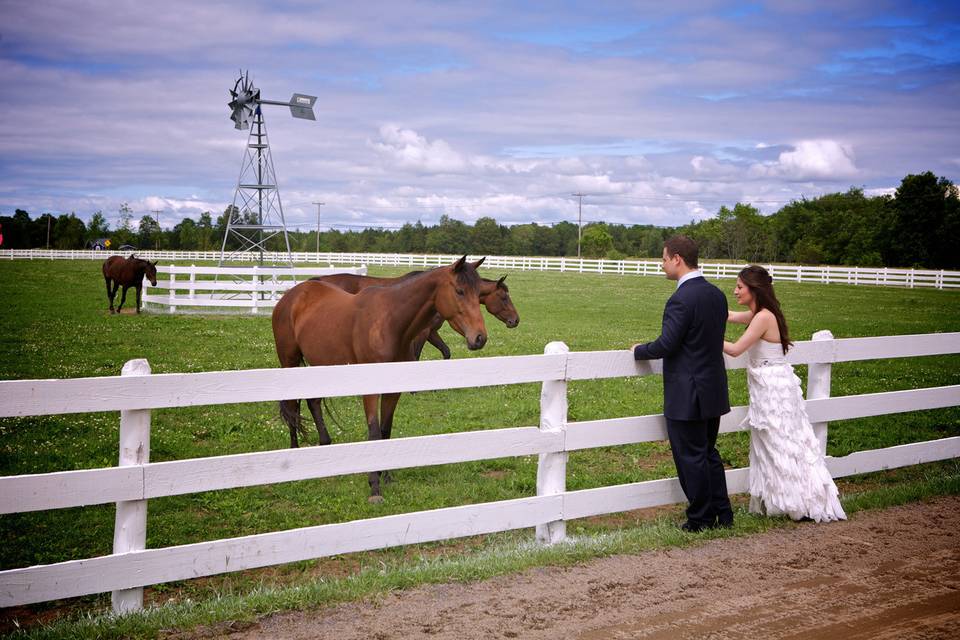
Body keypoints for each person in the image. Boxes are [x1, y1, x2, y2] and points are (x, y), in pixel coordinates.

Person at [724, 265, 846, 523]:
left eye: (739, 287)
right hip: (767, 385)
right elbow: (731, 315)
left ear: (753, 289)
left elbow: (735, 350)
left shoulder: (763, 317)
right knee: (773, 444)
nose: (735, 291)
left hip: (773, 390)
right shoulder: (758, 313)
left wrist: (704, 336)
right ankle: (786, 499)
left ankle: (802, 501)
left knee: (783, 444)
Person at [633, 235, 734, 532]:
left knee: (690, 457)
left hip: (687, 392)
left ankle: (700, 518)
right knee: (708, 453)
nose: (662, 265)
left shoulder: (681, 298)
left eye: (664, 259)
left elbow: (667, 344)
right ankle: (723, 513)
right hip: (713, 387)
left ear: (677, 259)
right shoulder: (717, 294)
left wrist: (639, 351)